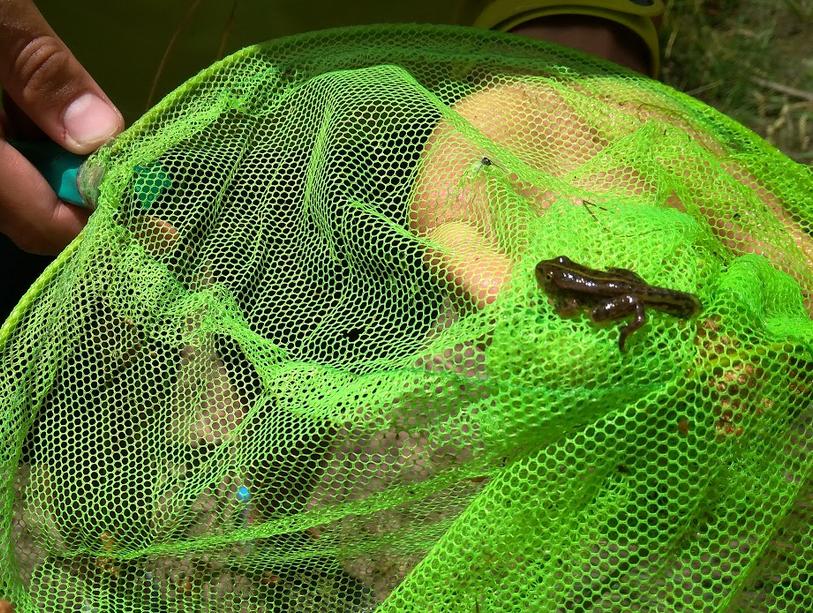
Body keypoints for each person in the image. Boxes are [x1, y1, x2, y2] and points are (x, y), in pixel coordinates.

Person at [0, 0, 663, 316]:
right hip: (32, 142)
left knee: (304, 353)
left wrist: (557, 70)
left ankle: (274, 527)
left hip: (363, 160)